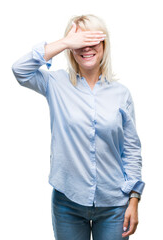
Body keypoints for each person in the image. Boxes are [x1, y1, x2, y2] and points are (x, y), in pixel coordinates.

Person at [12, 14, 145, 240]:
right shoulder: (55, 84)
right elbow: (20, 70)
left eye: (92, 41)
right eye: (79, 42)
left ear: (104, 44)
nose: (86, 48)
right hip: (68, 202)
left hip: (114, 204)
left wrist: (134, 199)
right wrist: (63, 43)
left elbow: (131, 150)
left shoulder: (121, 94)